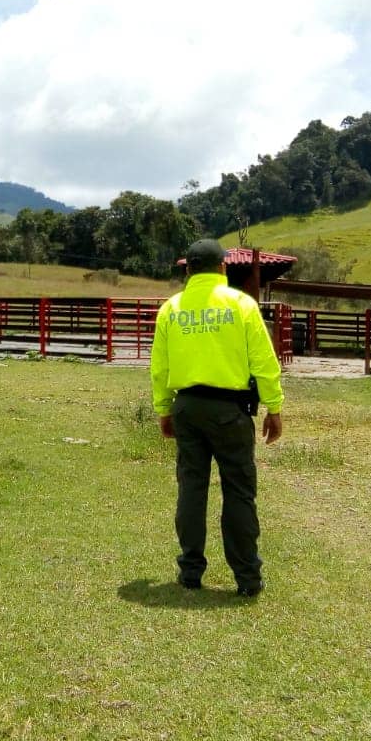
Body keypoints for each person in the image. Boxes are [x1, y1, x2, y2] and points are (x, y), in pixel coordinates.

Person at [150, 239, 284, 597]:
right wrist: (274, 406)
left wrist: (164, 409)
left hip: (187, 408)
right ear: (223, 267)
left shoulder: (171, 309)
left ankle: (190, 571)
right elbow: (263, 360)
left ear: (188, 269)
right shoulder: (242, 305)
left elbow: (159, 367)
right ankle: (247, 578)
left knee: (191, 489)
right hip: (230, 411)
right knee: (239, 492)